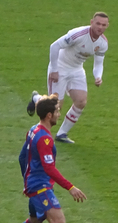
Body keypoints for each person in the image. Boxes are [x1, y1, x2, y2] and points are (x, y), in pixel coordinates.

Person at [0, 94, 87, 223]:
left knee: (35, 219)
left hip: (34, 184)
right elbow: (49, 168)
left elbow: (22, 158)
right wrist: (71, 188)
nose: (59, 114)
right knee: (58, 222)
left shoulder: (33, 130)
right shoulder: (45, 139)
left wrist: (26, 181)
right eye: (57, 111)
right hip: (40, 186)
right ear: (48, 115)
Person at [26, 12, 109, 144]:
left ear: (107, 26)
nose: (100, 27)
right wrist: (54, 69)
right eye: (98, 23)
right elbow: (54, 46)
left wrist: (98, 77)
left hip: (76, 70)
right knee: (55, 106)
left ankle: (62, 134)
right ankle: (36, 98)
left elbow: (98, 63)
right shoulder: (78, 34)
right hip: (60, 67)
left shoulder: (103, 43)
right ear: (91, 22)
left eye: (103, 25)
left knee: (81, 101)